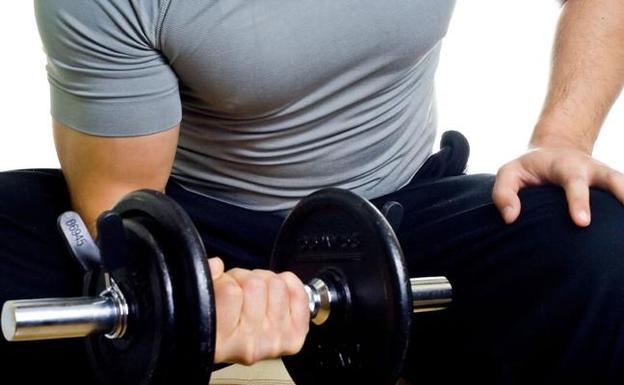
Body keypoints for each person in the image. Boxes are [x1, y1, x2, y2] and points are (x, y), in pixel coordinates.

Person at [1, 0, 623, 383]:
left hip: (398, 220)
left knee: (595, 243)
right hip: (203, 231)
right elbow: (123, 206)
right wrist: (197, 302)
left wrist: (563, 137)